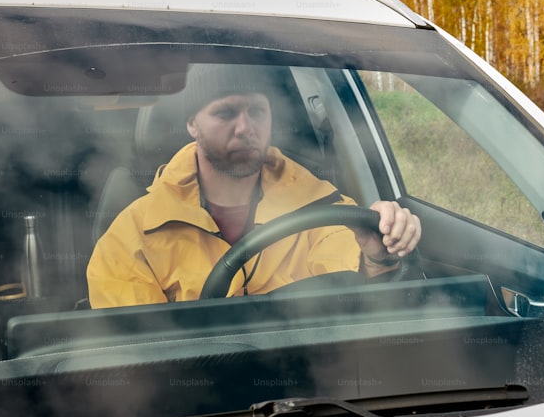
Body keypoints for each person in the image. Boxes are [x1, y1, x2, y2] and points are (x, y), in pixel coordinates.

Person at [86, 65, 421, 308]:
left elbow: (368, 312)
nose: (245, 127)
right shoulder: (129, 241)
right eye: (226, 112)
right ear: (192, 124)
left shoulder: (324, 207)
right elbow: (143, 364)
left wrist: (379, 258)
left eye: (257, 111)